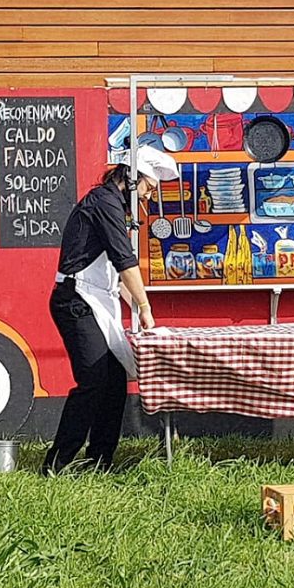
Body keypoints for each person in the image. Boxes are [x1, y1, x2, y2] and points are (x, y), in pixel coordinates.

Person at [42, 145, 179, 475]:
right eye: (147, 188)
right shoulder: (104, 202)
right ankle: (56, 464)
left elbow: (107, 270)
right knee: (93, 380)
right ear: (132, 179)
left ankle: (100, 460)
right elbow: (124, 259)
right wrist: (144, 307)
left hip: (92, 299)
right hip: (74, 301)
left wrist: (127, 297)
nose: (146, 198)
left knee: (115, 379)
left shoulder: (112, 205)